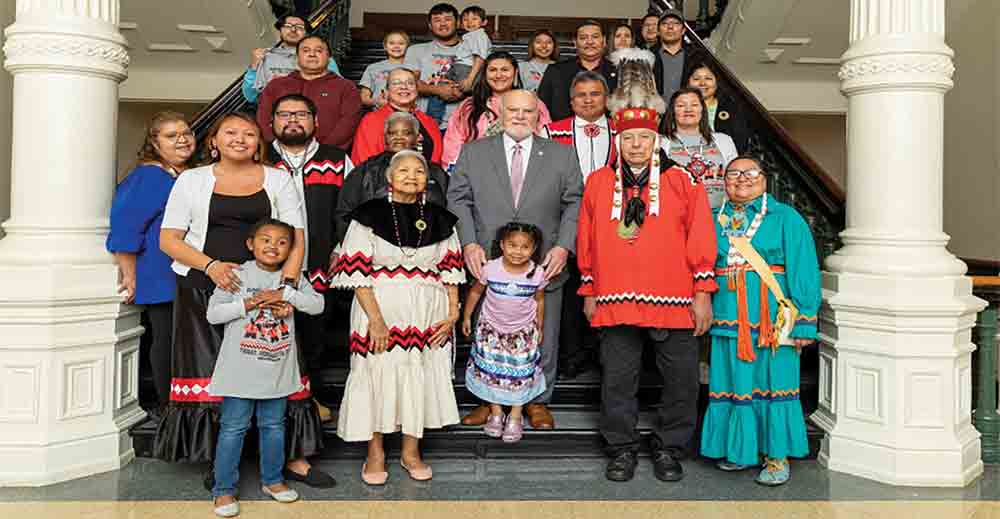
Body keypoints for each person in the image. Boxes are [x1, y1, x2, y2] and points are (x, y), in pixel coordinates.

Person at [155, 113, 325, 491]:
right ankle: (221, 465)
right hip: (203, 289)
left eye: (249, 134)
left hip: (268, 293)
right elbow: (169, 239)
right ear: (213, 140)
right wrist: (212, 266)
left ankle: (288, 460)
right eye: (230, 132)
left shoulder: (277, 178)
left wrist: (288, 288)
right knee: (214, 378)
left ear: (259, 142)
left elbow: (298, 237)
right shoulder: (192, 180)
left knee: (275, 369)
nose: (240, 139)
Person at [576, 85, 717, 483]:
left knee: (682, 381)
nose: (636, 145)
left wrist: (702, 293)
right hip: (615, 298)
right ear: (617, 141)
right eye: (628, 138)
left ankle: (670, 446)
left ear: (656, 139)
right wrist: (589, 291)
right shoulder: (599, 183)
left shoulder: (683, 181)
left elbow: (702, 236)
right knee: (618, 380)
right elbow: (585, 239)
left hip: (675, 298)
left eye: (644, 137)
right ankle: (621, 448)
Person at [448, 90, 583, 430]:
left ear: (539, 115)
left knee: (543, 335)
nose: (521, 116)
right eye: (514, 110)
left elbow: (575, 203)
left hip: (544, 264)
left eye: (528, 111)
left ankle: (537, 401)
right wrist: (468, 244)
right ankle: (485, 399)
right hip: (489, 264)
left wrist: (564, 246)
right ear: (499, 113)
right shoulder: (473, 152)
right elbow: (458, 198)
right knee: (486, 335)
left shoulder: (562, 155)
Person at [331, 149, 465, 485]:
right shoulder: (368, 216)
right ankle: (374, 453)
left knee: (417, 376)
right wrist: (375, 320)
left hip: (427, 311)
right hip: (379, 307)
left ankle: (410, 452)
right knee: (377, 375)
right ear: (389, 178)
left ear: (427, 180)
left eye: (418, 171)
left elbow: (450, 270)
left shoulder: (440, 218)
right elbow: (357, 273)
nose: (411, 176)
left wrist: (452, 313)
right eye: (402, 170)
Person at [700, 156, 820, 486]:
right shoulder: (712, 219)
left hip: (773, 319)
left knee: (774, 384)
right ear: (723, 182)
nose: (742, 179)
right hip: (727, 318)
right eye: (733, 174)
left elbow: (804, 268)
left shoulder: (786, 218)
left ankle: (776, 456)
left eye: (751, 172)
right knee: (734, 384)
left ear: (765, 179)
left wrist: (805, 321)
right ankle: (742, 451)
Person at [206, 219, 324, 517]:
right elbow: (213, 314)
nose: (273, 246)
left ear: (290, 249)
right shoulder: (237, 274)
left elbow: (317, 305)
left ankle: (272, 481)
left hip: (277, 369)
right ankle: (224, 490)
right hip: (239, 370)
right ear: (251, 244)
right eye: (266, 239)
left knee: (273, 427)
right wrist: (249, 303)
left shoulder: (292, 279)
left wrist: (286, 295)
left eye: (282, 242)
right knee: (233, 428)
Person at [265, 95, 352, 478]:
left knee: (313, 338)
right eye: (284, 115)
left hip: (320, 265)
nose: (293, 121)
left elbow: (349, 208)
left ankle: (310, 399)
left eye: (300, 114)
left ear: (315, 120)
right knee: (271, 340)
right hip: (267, 270)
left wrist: (342, 248)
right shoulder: (260, 159)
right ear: (272, 121)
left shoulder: (336, 158)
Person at [107, 112, 194, 423]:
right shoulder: (149, 176)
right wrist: (129, 274)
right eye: (171, 136)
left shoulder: (183, 175)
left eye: (186, 132)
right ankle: (166, 405)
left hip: (185, 270)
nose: (182, 139)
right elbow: (125, 226)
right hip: (158, 271)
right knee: (166, 339)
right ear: (154, 144)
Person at [541, 71, 617, 379]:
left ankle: (604, 355)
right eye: (581, 95)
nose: (588, 100)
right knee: (570, 291)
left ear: (606, 99)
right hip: (565, 222)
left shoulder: (622, 132)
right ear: (571, 101)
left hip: (611, 225)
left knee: (608, 287)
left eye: (595, 94)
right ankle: (571, 355)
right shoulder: (551, 131)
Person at [461, 222, 547, 443]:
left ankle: (515, 417)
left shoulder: (536, 273)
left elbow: (539, 300)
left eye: (524, 247)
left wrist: (540, 326)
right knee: (492, 373)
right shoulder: (490, 268)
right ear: (501, 245)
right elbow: (475, 293)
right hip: (492, 330)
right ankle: (496, 413)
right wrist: (466, 317)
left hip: (522, 333)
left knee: (519, 374)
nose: (517, 251)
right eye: (512, 245)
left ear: (534, 249)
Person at [338, 111, 449, 242]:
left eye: (406, 133)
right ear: (385, 138)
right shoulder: (364, 171)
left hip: (427, 249)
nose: (399, 137)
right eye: (392, 133)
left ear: (418, 137)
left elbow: (449, 214)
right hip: (372, 250)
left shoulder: (435, 173)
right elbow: (344, 213)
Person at [442, 51, 552, 171]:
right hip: (477, 175)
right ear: (485, 74)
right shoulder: (469, 106)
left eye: (505, 70)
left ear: (515, 73)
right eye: (493, 70)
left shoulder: (533, 103)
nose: (498, 75)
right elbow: (453, 145)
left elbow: (545, 141)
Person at [257, 35, 362, 149]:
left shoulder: (346, 87)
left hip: (328, 157)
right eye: (306, 50)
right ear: (297, 57)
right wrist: (278, 148)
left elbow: (348, 123)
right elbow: (264, 118)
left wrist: (322, 151)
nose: (312, 54)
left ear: (329, 57)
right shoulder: (276, 85)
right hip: (278, 156)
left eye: (318, 50)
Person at [661, 87, 738, 210]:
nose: (688, 109)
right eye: (681, 106)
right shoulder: (661, 143)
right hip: (678, 215)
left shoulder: (724, 140)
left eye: (694, 105)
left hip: (719, 215)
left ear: (702, 110)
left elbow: (735, 178)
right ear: (672, 112)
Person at [352, 68, 444, 166]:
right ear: (386, 91)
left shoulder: (429, 122)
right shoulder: (372, 121)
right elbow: (365, 163)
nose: (404, 87)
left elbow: (436, 161)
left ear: (417, 90)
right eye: (396, 83)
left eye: (410, 83)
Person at [242, 14, 341, 104]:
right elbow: (251, 96)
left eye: (299, 27)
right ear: (280, 30)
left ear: (306, 33)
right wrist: (254, 67)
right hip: (275, 117)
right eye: (288, 26)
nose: (293, 30)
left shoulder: (322, 58)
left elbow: (339, 90)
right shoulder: (265, 57)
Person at [538, 20, 619, 121]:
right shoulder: (556, 71)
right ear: (575, 43)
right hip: (561, 133)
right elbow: (541, 109)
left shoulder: (619, 71)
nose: (589, 42)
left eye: (595, 37)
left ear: (604, 40)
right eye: (583, 38)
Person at [405, 3, 465, 128]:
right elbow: (409, 83)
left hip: (462, 124)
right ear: (430, 26)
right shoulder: (416, 50)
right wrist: (438, 90)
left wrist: (462, 90)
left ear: (458, 23)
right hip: (423, 123)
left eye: (448, 19)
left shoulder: (472, 51)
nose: (443, 24)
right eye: (437, 20)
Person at [683, 59, 750, 152]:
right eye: (696, 79)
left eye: (708, 78)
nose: (702, 83)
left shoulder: (732, 109)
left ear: (717, 82)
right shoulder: (677, 108)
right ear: (688, 83)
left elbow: (740, 144)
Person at [649, 9, 696, 99]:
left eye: (676, 23)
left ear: (683, 30)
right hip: (656, 111)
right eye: (665, 23)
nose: (670, 27)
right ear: (658, 31)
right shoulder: (648, 56)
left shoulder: (696, 56)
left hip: (686, 110)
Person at [359, 30, 410, 109]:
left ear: (407, 46)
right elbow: (364, 97)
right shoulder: (373, 68)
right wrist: (377, 101)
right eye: (391, 43)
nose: (396, 46)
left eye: (401, 43)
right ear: (385, 46)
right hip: (379, 113)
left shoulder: (414, 67)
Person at [448, 5, 492, 93]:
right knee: (442, 88)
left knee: (461, 92)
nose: (469, 22)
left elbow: (479, 58)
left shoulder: (479, 35)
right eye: (465, 19)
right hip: (459, 67)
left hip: (467, 69)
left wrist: (470, 79)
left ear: (484, 22)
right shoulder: (470, 35)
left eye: (474, 19)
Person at [519, 29, 558, 93]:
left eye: (549, 42)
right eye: (538, 42)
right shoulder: (521, 67)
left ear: (554, 46)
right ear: (532, 45)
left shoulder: (562, 68)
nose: (544, 46)